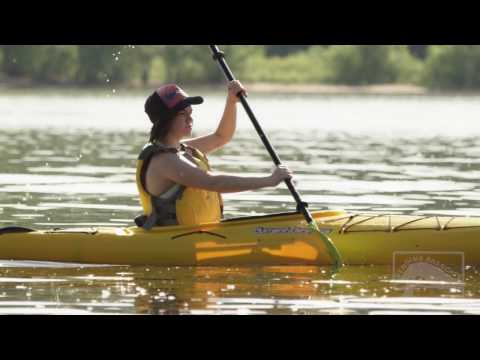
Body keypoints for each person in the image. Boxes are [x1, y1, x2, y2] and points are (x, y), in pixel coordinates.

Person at [135, 81, 292, 229]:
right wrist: (269, 180)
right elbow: (213, 182)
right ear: (166, 119)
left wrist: (231, 101)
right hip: (175, 239)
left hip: (198, 233)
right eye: (183, 114)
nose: (190, 118)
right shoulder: (164, 161)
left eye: (190, 112)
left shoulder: (182, 149)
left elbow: (221, 137)